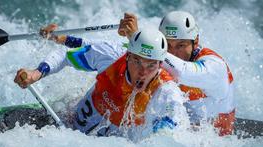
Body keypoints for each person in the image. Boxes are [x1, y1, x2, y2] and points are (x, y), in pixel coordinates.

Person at [14, 28, 188, 139]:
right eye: (137, 62)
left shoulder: (166, 94)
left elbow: (166, 142)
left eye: (151, 65)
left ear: (160, 65)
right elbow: (65, 55)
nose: (143, 72)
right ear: (127, 57)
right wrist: (37, 73)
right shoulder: (111, 57)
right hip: (66, 125)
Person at [119, 11, 235, 136]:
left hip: (215, 141)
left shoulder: (215, 67)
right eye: (167, 45)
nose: (173, 53)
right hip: (175, 126)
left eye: (180, 45)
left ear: (195, 41)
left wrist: (136, 39)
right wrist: (135, 41)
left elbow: (182, 72)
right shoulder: (163, 61)